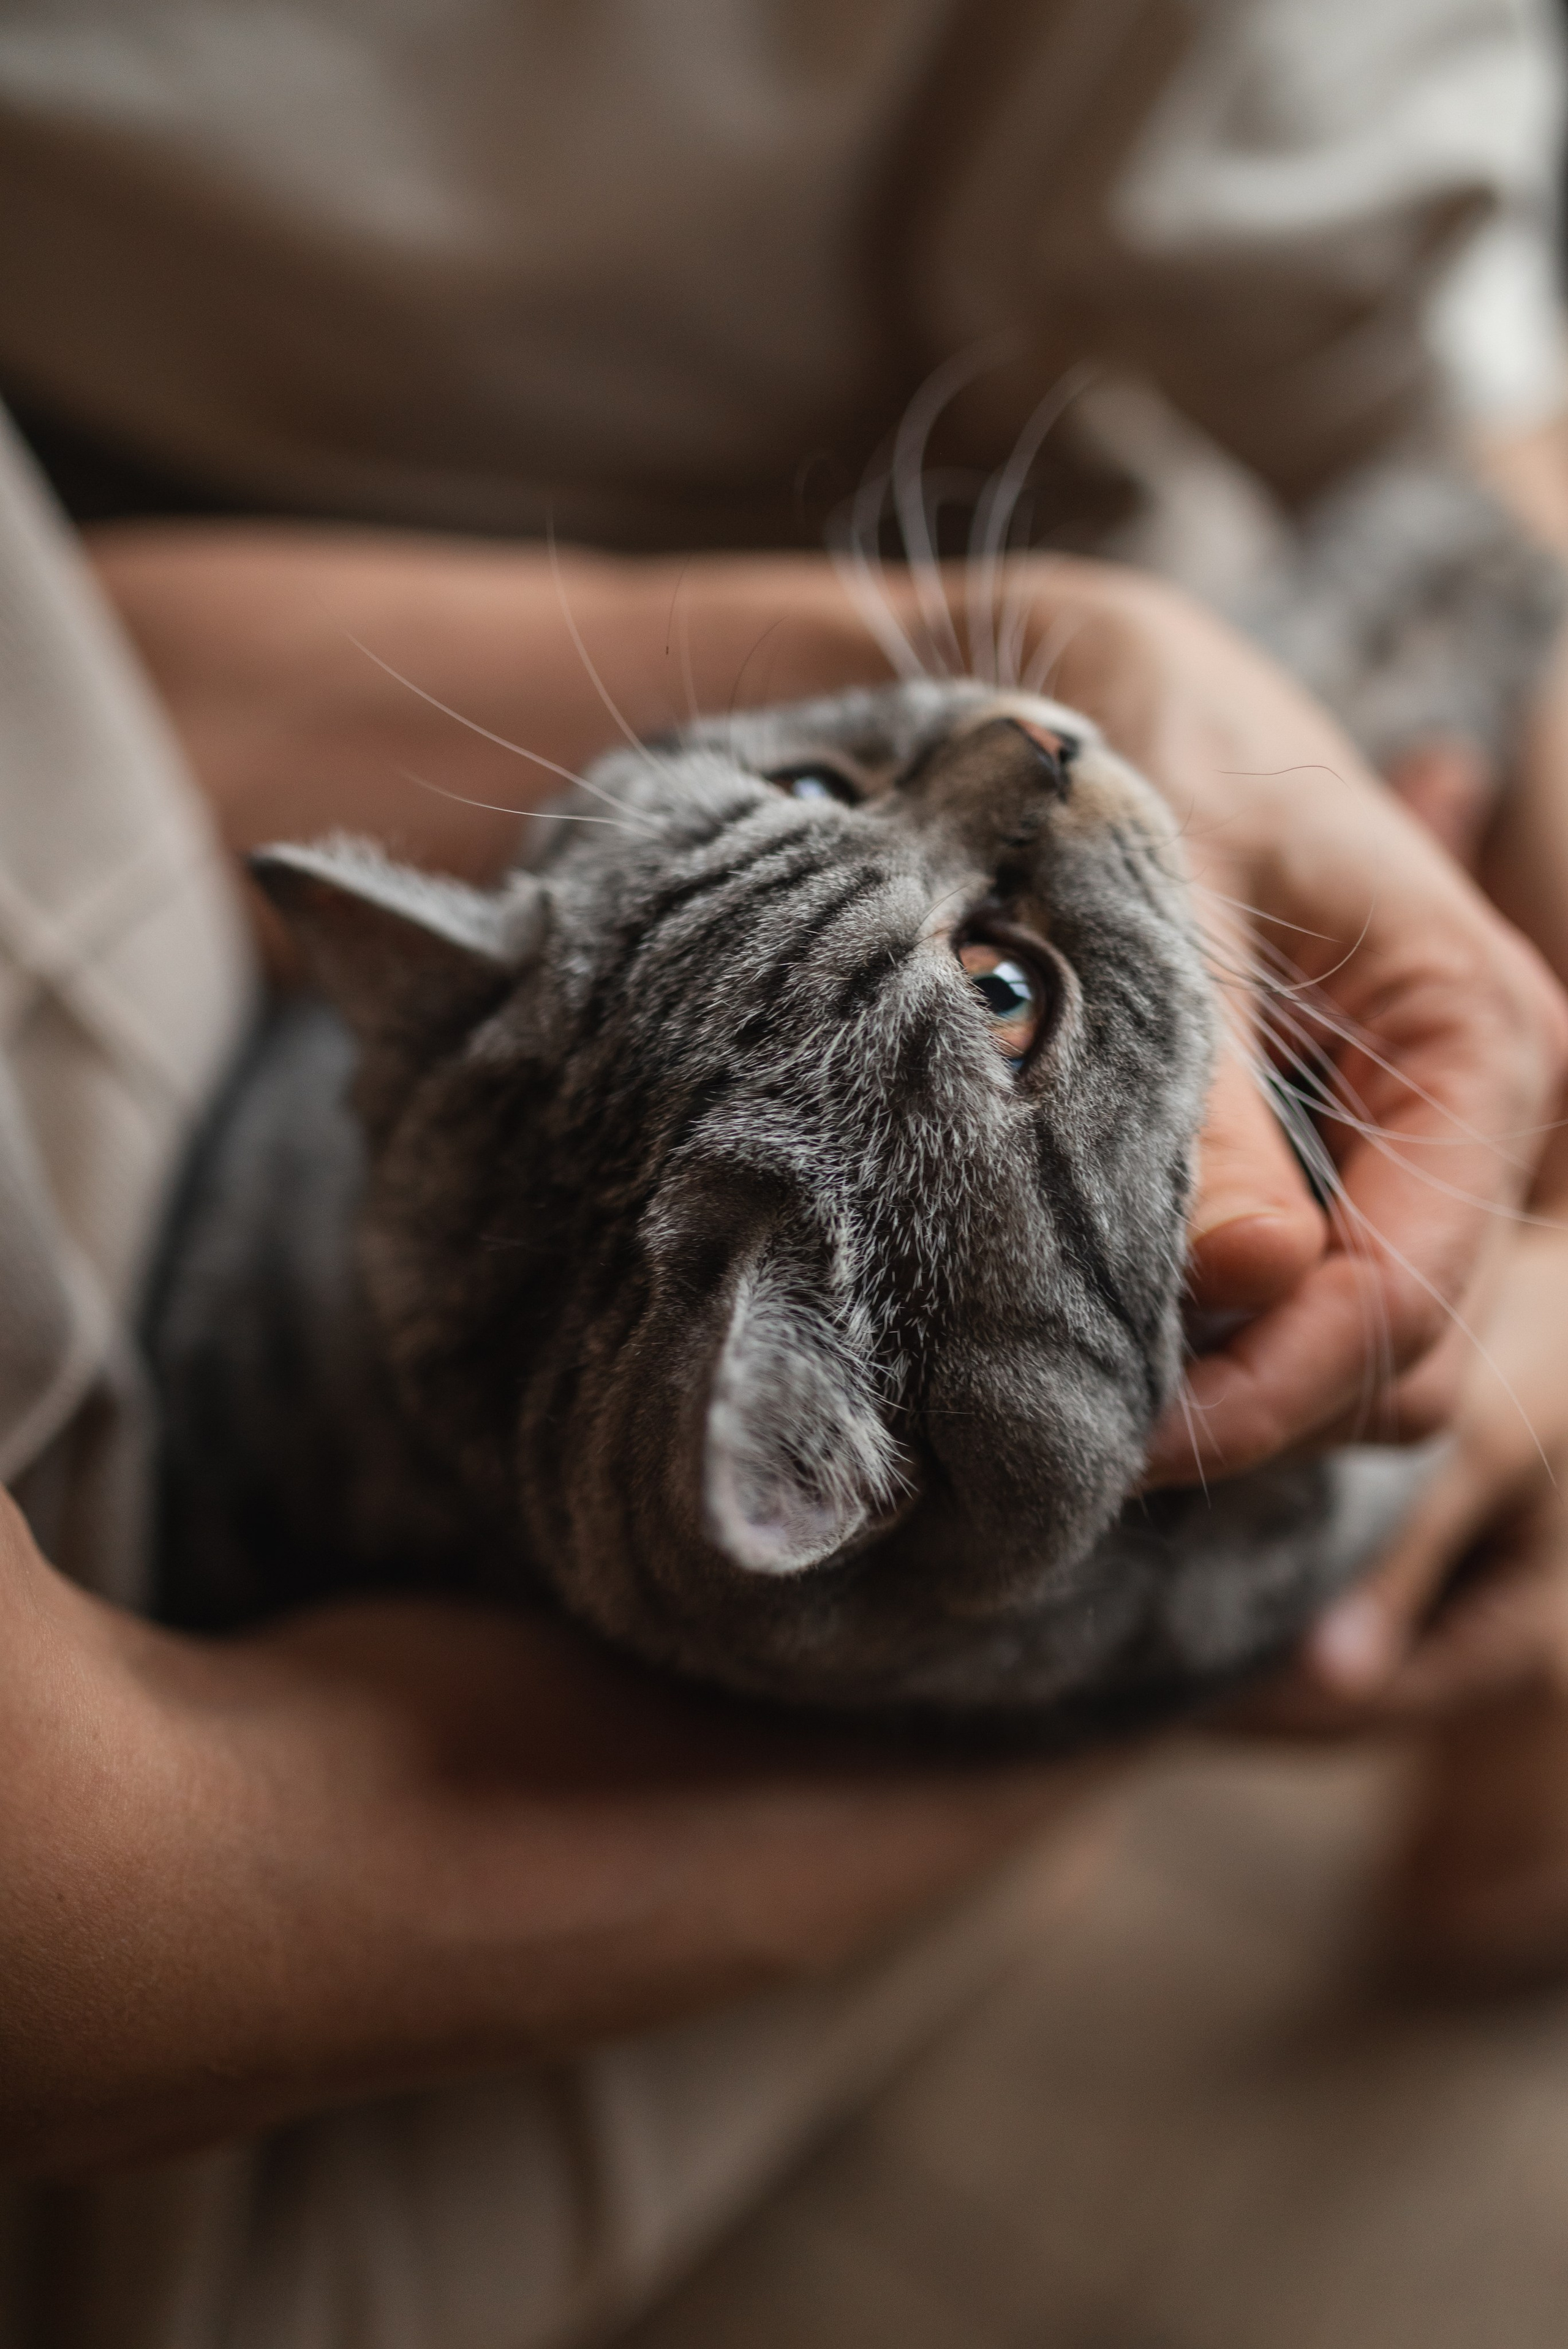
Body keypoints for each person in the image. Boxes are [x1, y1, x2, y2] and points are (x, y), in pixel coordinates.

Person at [2, 1, 1568, 2342]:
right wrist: (1093, 1709)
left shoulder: (944, 789)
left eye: (832, 805)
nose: (1028, 760)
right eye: (1002, 985)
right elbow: (88, 1927)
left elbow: (63, 685)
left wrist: (1064, 652)